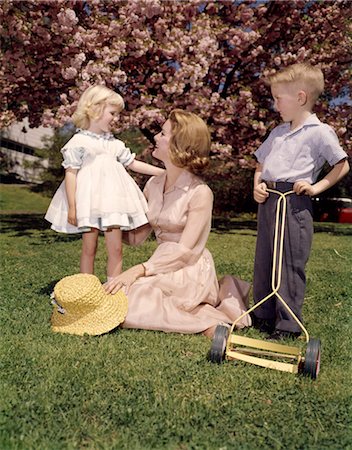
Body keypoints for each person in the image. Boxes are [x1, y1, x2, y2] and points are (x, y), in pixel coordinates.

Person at [104, 109, 251, 336]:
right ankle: (201, 320)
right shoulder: (153, 184)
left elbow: (185, 252)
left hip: (190, 269)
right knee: (124, 295)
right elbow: (136, 237)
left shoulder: (200, 193)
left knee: (133, 299)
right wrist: (108, 225)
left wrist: (138, 270)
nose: (156, 138)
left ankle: (210, 323)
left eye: (163, 134)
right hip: (159, 266)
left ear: (180, 144)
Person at [252, 63, 349, 340]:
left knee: (289, 261)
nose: (275, 105)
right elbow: (260, 164)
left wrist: (316, 187)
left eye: (278, 98)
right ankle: (263, 316)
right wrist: (257, 187)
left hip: (294, 202)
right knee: (265, 259)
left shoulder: (319, 132)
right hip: (269, 199)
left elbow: (341, 165)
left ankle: (288, 324)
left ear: (300, 98)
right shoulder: (278, 133)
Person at [45, 85, 164, 281]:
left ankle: (113, 287)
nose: (116, 118)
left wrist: (163, 173)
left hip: (113, 202)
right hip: (89, 202)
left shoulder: (115, 144)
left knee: (116, 248)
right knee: (89, 247)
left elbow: (132, 163)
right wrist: (73, 207)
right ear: (95, 109)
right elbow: (71, 174)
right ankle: (87, 288)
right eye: (113, 113)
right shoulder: (79, 142)